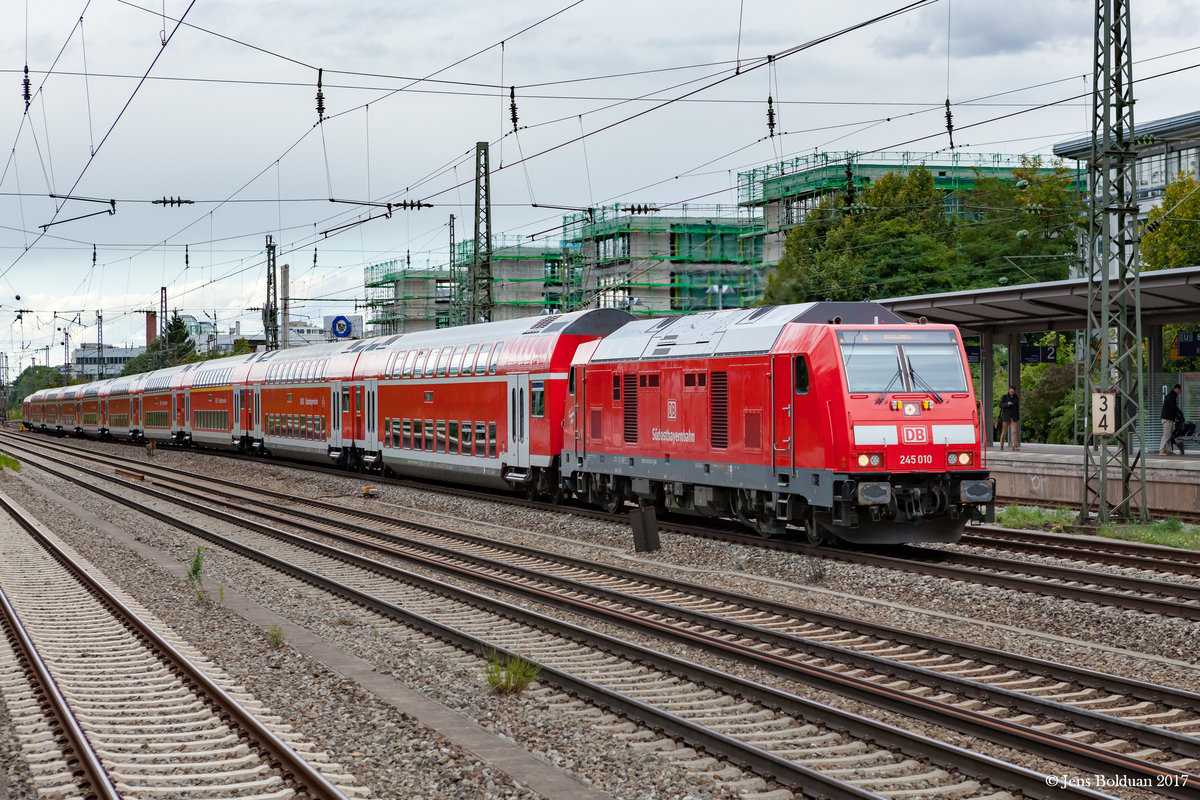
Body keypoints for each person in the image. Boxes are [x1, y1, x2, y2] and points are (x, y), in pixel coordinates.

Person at [1160, 383, 1183, 455]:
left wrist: (1177, 415)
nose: (1180, 392)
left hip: (1169, 418)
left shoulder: (1172, 396)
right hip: (1167, 418)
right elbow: (1173, 407)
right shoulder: (1171, 396)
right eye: (1180, 390)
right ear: (1177, 389)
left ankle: (1168, 450)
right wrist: (1180, 413)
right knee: (1166, 435)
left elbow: (1172, 408)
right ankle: (1162, 450)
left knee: (1169, 435)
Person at [998, 385, 1020, 451]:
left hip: (1013, 417)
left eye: (1013, 391)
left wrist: (1017, 417)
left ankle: (1014, 446)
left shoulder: (1016, 398)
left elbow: (1017, 408)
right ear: (1009, 390)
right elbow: (1000, 405)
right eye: (1011, 391)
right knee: (1004, 432)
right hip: (1006, 417)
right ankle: (1001, 445)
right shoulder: (1004, 397)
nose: (1012, 392)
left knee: (1014, 432)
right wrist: (1007, 404)